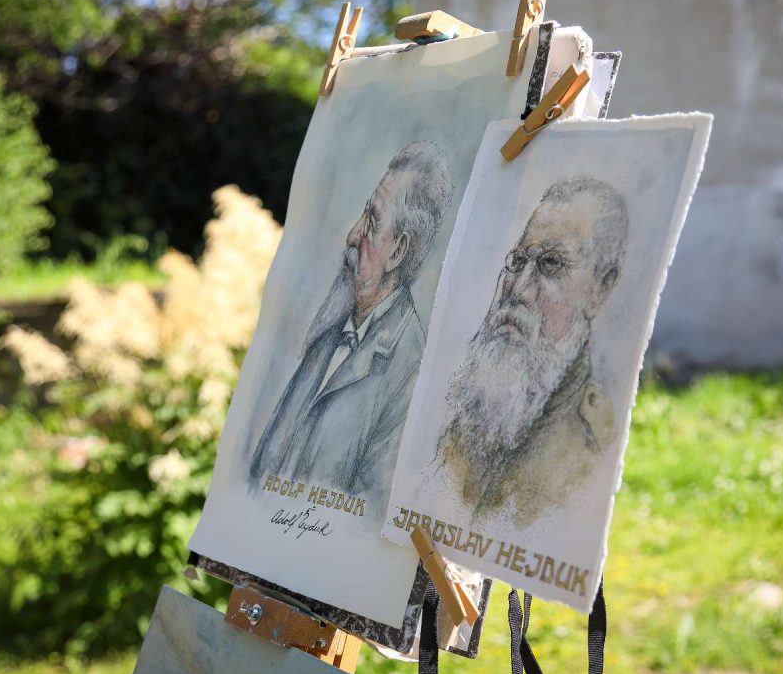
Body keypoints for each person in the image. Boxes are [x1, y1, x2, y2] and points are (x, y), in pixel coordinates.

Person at [248, 142, 452, 495]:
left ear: (398, 251)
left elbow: (366, 513)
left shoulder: (410, 369)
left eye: (371, 221)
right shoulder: (331, 332)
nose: (353, 235)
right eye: (363, 215)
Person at [434, 177, 629, 527]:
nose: (519, 289)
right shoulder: (475, 413)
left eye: (551, 263)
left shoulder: (586, 448)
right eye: (518, 260)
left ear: (599, 288)